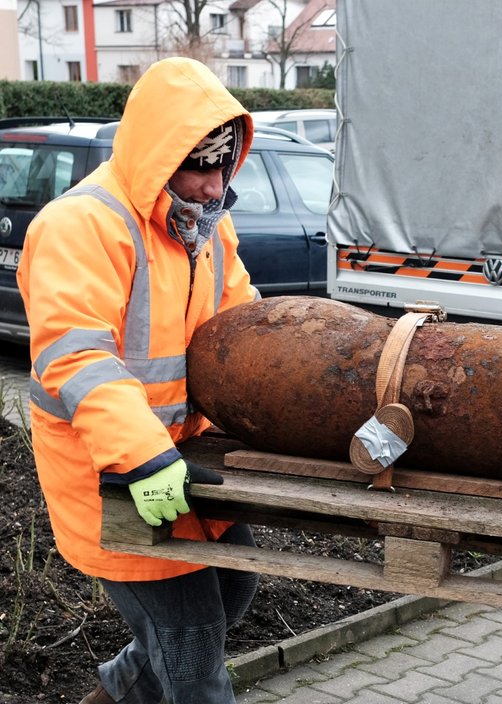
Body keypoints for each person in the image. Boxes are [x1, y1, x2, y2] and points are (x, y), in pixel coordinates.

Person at [17, 57, 262, 704]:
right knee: (193, 650)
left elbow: (245, 331)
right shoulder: (80, 227)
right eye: (200, 167)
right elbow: (78, 360)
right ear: (160, 157)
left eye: (224, 167)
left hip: (178, 460)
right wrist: (145, 460)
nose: (215, 188)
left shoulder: (204, 229)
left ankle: (118, 694)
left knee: (236, 585)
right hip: (114, 475)